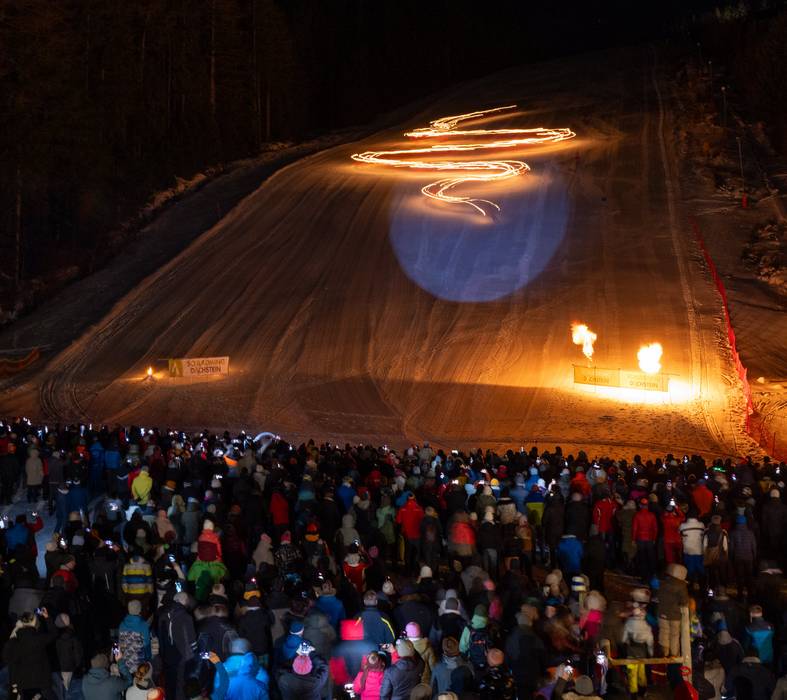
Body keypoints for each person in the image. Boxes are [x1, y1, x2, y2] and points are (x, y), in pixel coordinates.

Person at [4, 610, 58, 700]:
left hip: (23, 684)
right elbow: (54, 633)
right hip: (42, 682)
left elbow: (6, 657)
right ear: (33, 623)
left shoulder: (15, 641)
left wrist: (16, 629)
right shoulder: (39, 639)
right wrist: (47, 617)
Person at [659, 563, 689, 658]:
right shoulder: (682, 585)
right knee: (674, 634)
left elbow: (658, 596)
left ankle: (664, 652)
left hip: (662, 613)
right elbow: (684, 601)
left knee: (664, 632)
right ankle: (674, 654)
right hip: (675, 615)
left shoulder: (662, 583)